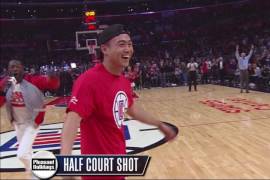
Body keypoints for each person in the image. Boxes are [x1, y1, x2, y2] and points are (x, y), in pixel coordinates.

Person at [60, 24, 177, 179]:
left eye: (129, 44)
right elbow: (72, 120)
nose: (128, 49)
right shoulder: (88, 81)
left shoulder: (123, 81)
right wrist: (65, 160)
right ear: (104, 49)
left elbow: (133, 109)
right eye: (121, 44)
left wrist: (159, 125)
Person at [0, 60, 60, 176]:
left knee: (21, 154)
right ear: (8, 70)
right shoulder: (5, 83)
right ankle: (33, 175)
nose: (15, 69)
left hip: (32, 122)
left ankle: (39, 172)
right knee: (27, 152)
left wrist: (53, 77)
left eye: (17, 67)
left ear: (23, 69)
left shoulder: (33, 80)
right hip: (17, 123)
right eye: (12, 67)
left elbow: (52, 85)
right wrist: (2, 92)